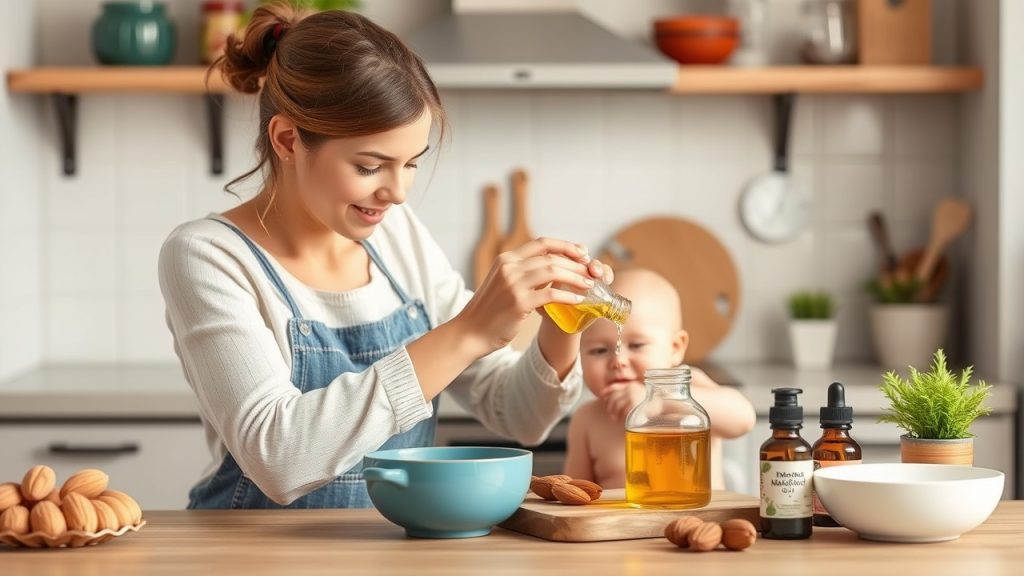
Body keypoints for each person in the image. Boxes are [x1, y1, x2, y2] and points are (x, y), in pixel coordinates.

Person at [158, 4, 610, 509]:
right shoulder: (208, 255)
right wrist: (467, 332)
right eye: (371, 166)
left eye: (411, 164)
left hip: (386, 551)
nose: (397, 193)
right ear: (288, 140)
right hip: (256, 554)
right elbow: (278, 458)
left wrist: (563, 322)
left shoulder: (396, 236)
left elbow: (519, 416)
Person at [563, 268, 756, 490]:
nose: (619, 360)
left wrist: (661, 400)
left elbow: (744, 418)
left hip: (696, 523)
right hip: (623, 525)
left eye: (636, 345)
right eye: (598, 350)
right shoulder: (587, 419)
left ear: (675, 348)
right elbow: (574, 494)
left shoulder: (689, 387)